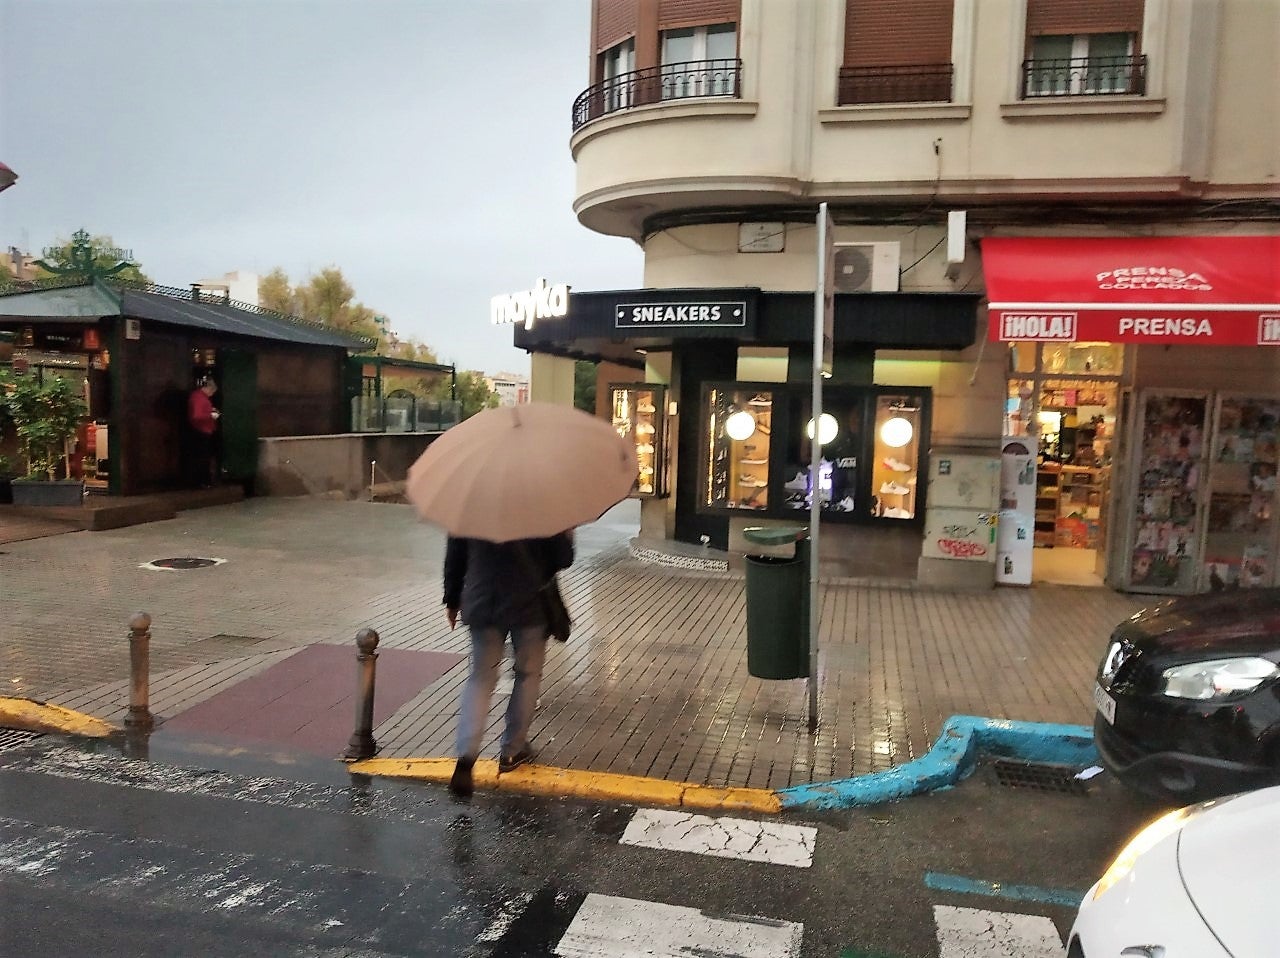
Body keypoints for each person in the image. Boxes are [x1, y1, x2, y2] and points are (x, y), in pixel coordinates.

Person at [443, 530, 574, 797]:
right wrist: (565, 535)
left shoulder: (470, 499)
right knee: (527, 675)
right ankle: (512, 751)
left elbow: (456, 553)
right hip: (530, 605)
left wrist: (452, 598)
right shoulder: (542, 503)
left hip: (481, 598)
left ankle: (466, 758)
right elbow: (563, 558)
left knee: (480, 678)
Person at [187, 377, 220, 487]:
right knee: (202, 457)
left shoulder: (198, 397)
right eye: (212, 391)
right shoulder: (199, 398)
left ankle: (202, 481)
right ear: (207, 388)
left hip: (202, 430)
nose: (212, 394)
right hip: (201, 431)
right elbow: (197, 416)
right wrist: (211, 415)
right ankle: (203, 481)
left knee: (201, 457)